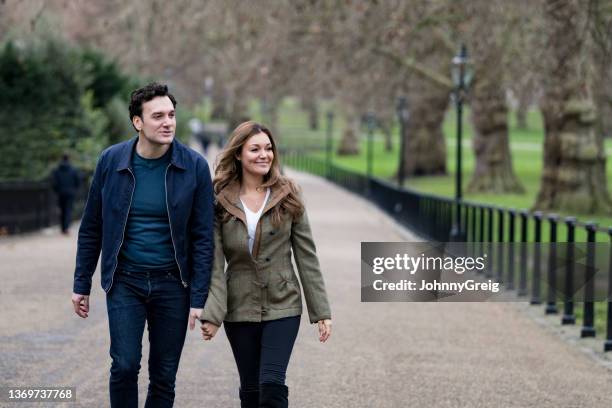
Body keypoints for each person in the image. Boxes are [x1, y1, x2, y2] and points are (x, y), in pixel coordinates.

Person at [71, 82, 214, 407]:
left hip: (173, 284)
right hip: (126, 280)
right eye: (158, 115)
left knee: (164, 375)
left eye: (172, 115)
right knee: (124, 365)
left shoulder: (194, 166)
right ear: (138, 122)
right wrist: (81, 283)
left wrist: (199, 296)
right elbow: (92, 225)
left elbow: (204, 236)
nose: (168, 122)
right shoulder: (111, 161)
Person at [199, 121, 332, 408]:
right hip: (239, 305)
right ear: (238, 154)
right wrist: (212, 313)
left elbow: (306, 256)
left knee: (271, 384)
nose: (264, 155)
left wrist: (321, 310)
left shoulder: (289, 195)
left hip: (283, 303)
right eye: (255, 149)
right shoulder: (219, 201)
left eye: (268, 148)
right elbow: (215, 264)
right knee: (251, 390)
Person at [51, 153, 81, 234]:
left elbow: (54, 182)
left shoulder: (57, 170)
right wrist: (74, 189)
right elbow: (78, 181)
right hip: (70, 193)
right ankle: (66, 227)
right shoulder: (73, 170)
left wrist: (57, 190)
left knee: (62, 210)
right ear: (69, 159)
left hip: (61, 193)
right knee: (68, 210)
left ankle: (63, 228)